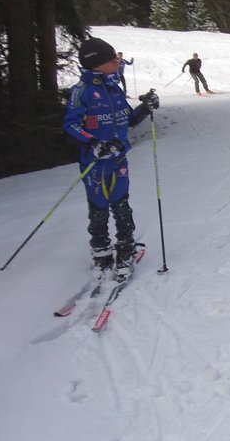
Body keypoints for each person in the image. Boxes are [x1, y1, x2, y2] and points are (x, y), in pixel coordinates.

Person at [64, 37, 160, 277]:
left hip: (118, 159)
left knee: (121, 204)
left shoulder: (114, 88)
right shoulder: (82, 91)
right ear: (96, 64)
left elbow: (129, 119)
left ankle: (126, 249)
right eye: (111, 60)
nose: (117, 63)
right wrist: (95, 143)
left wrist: (146, 108)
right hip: (94, 163)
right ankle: (101, 252)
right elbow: (71, 126)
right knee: (98, 207)